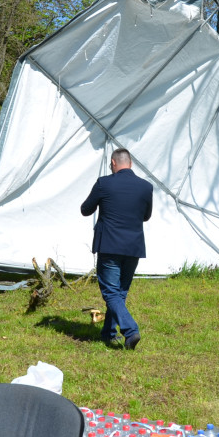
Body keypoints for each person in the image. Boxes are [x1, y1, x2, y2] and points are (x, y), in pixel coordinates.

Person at [80, 148, 152, 350]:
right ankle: (109, 333)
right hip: (133, 246)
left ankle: (130, 330)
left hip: (110, 245)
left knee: (111, 293)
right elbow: (146, 216)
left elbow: (86, 209)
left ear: (113, 163)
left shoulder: (104, 183)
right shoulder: (146, 187)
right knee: (119, 293)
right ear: (130, 164)